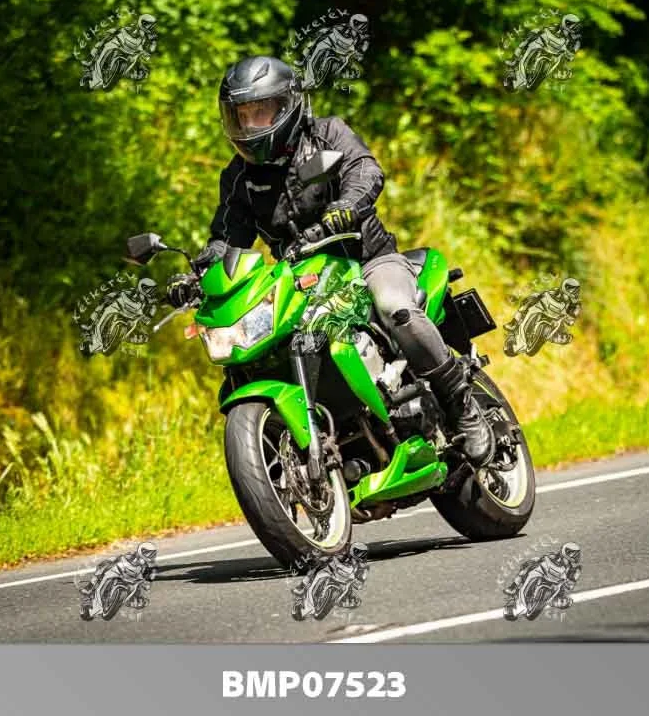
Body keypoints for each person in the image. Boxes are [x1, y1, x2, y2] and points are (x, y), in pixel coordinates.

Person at [165, 55, 494, 465]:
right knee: (265, 351)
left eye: (259, 112)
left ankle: (463, 408)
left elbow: (366, 171)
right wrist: (199, 274)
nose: (250, 126)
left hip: (367, 259)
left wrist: (346, 207)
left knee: (396, 308)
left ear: (287, 106)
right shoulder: (239, 177)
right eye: (241, 116)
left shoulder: (328, 134)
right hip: (303, 276)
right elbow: (227, 237)